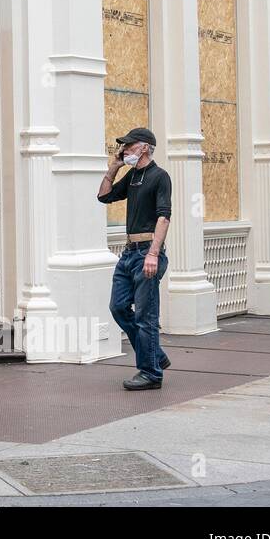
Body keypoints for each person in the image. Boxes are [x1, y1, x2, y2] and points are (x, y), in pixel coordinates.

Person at [96, 126, 173, 390]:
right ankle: (155, 355)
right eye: (124, 146)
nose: (125, 149)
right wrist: (115, 167)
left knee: (145, 315)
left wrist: (153, 253)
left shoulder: (159, 176)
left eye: (129, 146)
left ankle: (151, 373)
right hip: (129, 253)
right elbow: (104, 196)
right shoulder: (131, 177)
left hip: (147, 252)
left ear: (144, 147)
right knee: (118, 307)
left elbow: (164, 216)